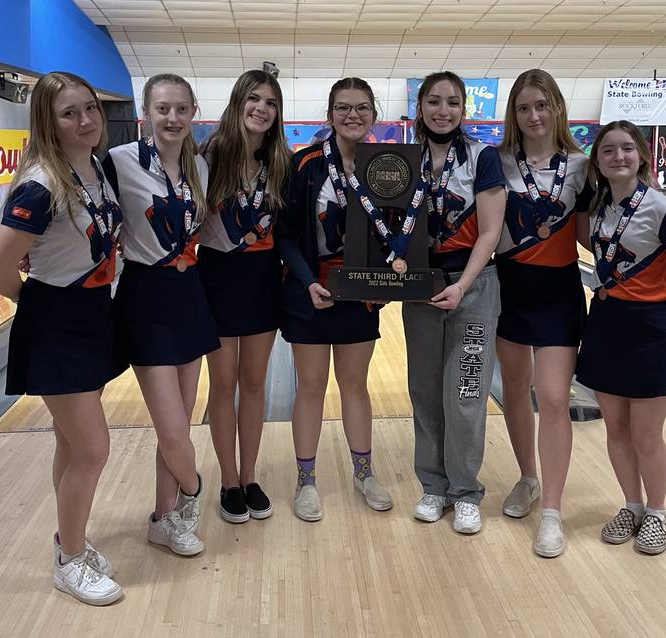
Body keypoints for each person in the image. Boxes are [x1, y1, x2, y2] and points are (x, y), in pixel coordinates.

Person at [0, 72, 124, 605]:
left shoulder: (87, 166)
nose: (86, 120)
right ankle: (69, 559)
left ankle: (73, 542)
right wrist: (36, 307)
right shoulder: (41, 183)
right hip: (57, 323)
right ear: (48, 119)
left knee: (73, 444)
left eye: (90, 108)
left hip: (90, 316)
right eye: (70, 113)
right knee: (93, 449)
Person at [576, 120, 666, 555]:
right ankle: (630, 506)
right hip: (607, 324)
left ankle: (656, 512)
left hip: (652, 329)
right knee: (615, 427)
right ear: (598, 160)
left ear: (641, 157)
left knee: (646, 433)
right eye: (608, 150)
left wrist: (665, 311)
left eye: (626, 149)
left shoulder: (663, 209)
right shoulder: (596, 209)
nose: (618, 157)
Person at [102, 73, 218, 555]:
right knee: (172, 430)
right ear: (145, 114)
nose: (172, 118)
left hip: (188, 293)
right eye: (162, 109)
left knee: (182, 426)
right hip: (145, 298)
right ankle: (193, 493)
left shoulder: (198, 166)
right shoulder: (117, 161)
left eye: (181, 109)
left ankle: (163, 517)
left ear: (193, 113)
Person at [276, 77, 392, 521]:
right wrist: (307, 282)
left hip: (360, 293)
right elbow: (285, 236)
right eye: (343, 108)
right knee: (311, 388)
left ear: (374, 115)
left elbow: (400, 232)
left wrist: (386, 282)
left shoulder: (386, 165)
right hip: (311, 291)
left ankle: (365, 473)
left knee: (355, 386)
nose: (353, 116)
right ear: (330, 115)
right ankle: (306, 480)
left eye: (362, 108)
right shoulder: (303, 165)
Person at [494, 69, 593, 557]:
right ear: (513, 114)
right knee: (514, 387)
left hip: (558, 290)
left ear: (557, 108)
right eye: (524, 107)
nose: (534, 116)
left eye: (542, 105)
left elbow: (589, 235)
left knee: (552, 397)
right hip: (507, 287)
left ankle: (551, 511)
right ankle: (527, 478)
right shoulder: (496, 162)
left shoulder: (581, 165)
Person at [402, 71, 505, 534]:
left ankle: (465, 492)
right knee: (425, 391)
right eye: (434, 101)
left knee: (465, 393)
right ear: (420, 106)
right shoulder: (402, 159)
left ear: (465, 110)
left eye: (453, 103)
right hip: (421, 288)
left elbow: (489, 232)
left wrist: (462, 285)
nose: (444, 111)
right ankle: (432, 486)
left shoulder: (483, 157)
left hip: (474, 287)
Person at [199, 70, 291, 523]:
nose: (261, 108)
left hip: (260, 279)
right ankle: (228, 480)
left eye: (270, 103)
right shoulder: (209, 157)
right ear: (238, 103)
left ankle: (250, 476)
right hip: (216, 277)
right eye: (253, 99)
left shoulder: (279, 162)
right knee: (223, 384)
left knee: (254, 383)